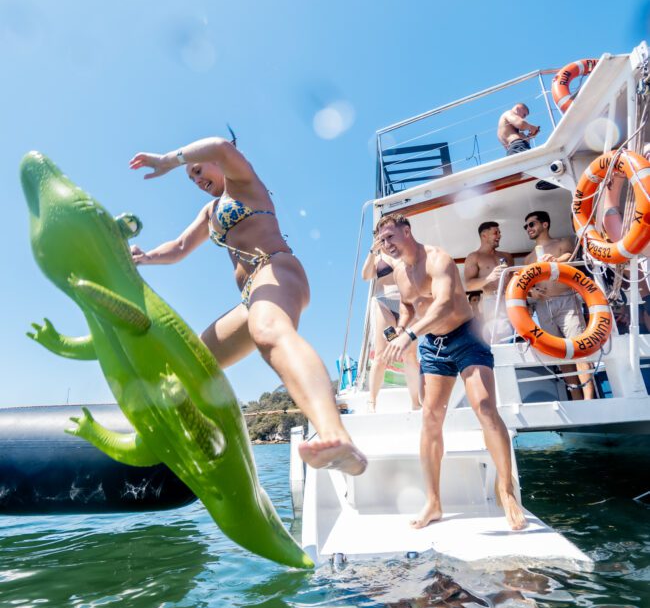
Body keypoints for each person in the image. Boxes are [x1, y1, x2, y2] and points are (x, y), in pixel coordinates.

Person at [128, 136, 367, 475]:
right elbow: (180, 246)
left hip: (277, 268)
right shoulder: (211, 211)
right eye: (191, 178)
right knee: (191, 362)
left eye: (197, 170)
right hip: (250, 295)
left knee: (268, 332)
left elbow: (222, 146)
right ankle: (184, 447)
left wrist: (171, 159)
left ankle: (336, 436)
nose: (196, 180)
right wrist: (145, 257)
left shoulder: (243, 181)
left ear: (214, 161)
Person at [377, 213, 527, 531]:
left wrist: (409, 335)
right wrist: (400, 330)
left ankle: (506, 490)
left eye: (390, 236)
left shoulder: (438, 258)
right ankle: (433, 502)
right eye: (382, 240)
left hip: (466, 336)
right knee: (430, 418)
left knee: (484, 408)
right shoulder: (399, 272)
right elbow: (408, 305)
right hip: (434, 344)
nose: (386, 244)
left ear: (407, 231)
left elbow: (444, 304)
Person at [522, 210, 595, 400]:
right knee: (561, 355)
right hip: (543, 307)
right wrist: (532, 293)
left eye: (531, 224)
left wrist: (555, 261)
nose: (528, 228)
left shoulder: (562, 243)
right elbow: (525, 287)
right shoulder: (529, 259)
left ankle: (589, 399)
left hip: (566, 301)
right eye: (526, 226)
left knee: (579, 349)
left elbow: (570, 259)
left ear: (544, 224)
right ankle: (578, 399)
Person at [361, 234, 421, 413]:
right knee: (382, 353)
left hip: (407, 306)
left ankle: (415, 402)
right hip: (384, 304)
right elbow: (366, 276)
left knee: (410, 355)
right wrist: (373, 251)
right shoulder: (377, 256)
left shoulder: (404, 252)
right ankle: (371, 401)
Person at [463, 221, 514, 343]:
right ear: (484, 235)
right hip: (491, 300)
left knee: (518, 335)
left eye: (499, 233)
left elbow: (514, 280)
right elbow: (469, 285)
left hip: (511, 298)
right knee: (499, 338)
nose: (499, 236)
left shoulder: (507, 256)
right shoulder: (474, 257)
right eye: (496, 233)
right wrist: (489, 278)